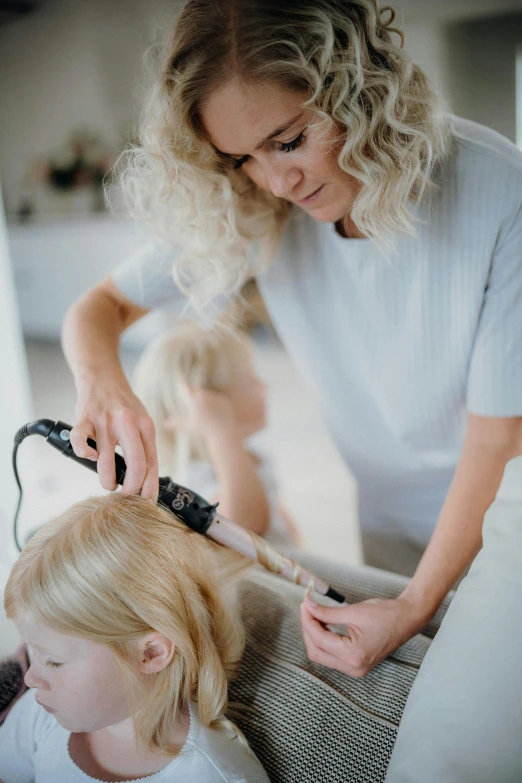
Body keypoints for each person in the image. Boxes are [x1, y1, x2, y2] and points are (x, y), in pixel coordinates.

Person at [62, 0, 522, 678]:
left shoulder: (499, 191)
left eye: (289, 140)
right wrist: (106, 388)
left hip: (506, 509)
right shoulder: (252, 204)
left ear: (358, 90)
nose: (279, 180)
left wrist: (418, 599)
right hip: (384, 509)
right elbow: (100, 306)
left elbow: (495, 438)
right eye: (242, 156)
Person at [0, 493, 270, 782]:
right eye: (32, 652)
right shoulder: (40, 717)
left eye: (53, 662)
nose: (30, 679)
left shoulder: (213, 775)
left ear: (150, 653)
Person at [133, 320, 300, 548]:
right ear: (207, 404)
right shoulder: (193, 481)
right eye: (249, 380)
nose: (263, 386)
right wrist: (222, 433)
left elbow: (274, 510)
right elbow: (247, 527)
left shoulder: (248, 455)